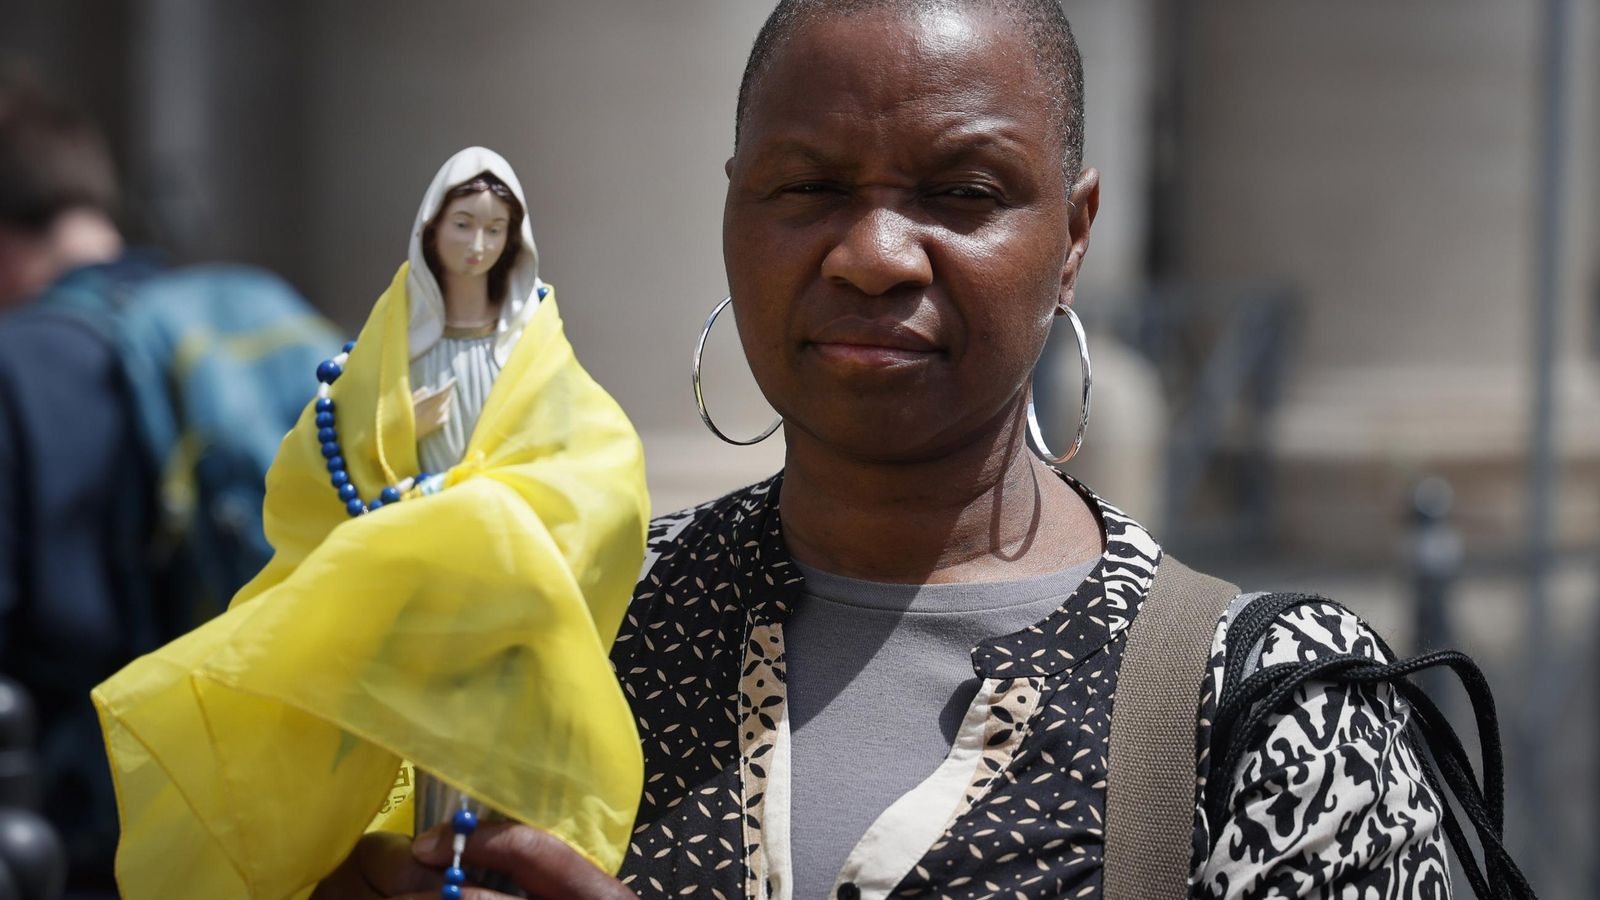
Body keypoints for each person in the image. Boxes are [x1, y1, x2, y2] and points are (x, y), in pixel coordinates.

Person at [320, 2, 1460, 898]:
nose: (872, 255)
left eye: (961, 192)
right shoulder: (568, 620)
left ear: (1072, 236)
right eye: (807, 187)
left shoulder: (1270, 710)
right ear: (733, 214)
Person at [93, 149, 651, 899]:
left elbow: (591, 463)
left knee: (481, 808)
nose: (478, 245)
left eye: (494, 228)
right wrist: (402, 439)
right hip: (412, 602)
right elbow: (324, 465)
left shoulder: (537, 347)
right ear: (432, 231)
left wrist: (480, 515)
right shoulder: (389, 348)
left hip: (495, 613)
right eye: (464, 225)